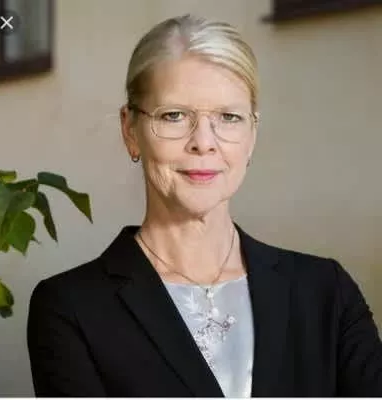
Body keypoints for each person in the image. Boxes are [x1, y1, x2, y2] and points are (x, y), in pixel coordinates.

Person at [27, 14, 382, 397]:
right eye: (174, 116)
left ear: (252, 135)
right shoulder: (71, 309)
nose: (204, 142)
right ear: (130, 130)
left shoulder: (326, 292)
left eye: (229, 117)